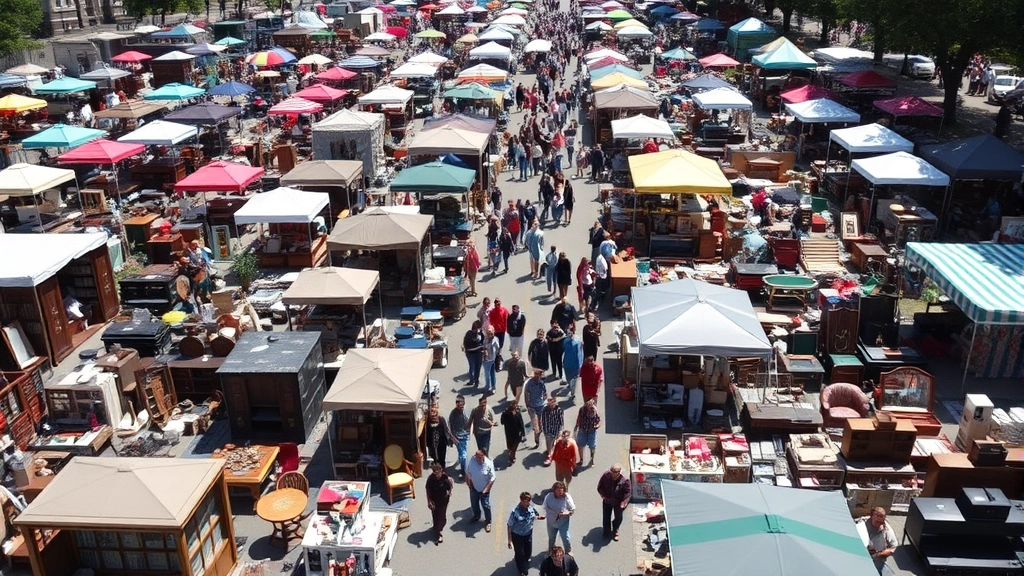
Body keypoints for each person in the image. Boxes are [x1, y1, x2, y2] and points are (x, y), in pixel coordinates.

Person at [507, 492, 545, 576]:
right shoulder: (515, 512)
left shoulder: (530, 508)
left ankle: (524, 560)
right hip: (517, 535)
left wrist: (538, 517)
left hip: (528, 533)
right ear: (521, 500)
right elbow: (509, 525)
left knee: (528, 553)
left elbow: (534, 515)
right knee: (519, 553)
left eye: (528, 501)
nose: (527, 503)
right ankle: (522, 570)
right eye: (525, 501)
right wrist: (509, 540)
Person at [857, 506, 898, 572]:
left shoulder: (887, 529)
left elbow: (894, 547)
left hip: (878, 559)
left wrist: (879, 554)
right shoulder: (862, 524)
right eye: (877, 521)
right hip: (861, 555)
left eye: (881, 522)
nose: (879, 523)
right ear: (872, 516)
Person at [598, 464, 631, 541]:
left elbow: (628, 492)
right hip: (607, 500)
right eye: (611, 470)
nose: (612, 473)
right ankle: (606, 531)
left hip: (618, 502)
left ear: (619, 472)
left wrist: (624, 502)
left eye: (615, 471)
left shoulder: (625, 480)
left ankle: (615, 529)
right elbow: (600, 486)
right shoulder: (606, 475)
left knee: (618, 517)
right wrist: (603, 496)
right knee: (606, 516)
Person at [465, 450, 496, 532]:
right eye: (476, 456)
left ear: (483, 456)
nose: (477, 458)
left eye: (479, 456)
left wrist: (486, 489)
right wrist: (469, 483)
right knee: (474, 503)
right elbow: (468, 472)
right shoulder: (472, 461)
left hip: (484, 489)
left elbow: (492, 479)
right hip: (474, 487)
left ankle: (488, 521)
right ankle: (476, 516)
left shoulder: (489, 464)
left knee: (485, 505)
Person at [425, 462, 454, 543]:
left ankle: (439, 532)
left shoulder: (445, 477)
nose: (437, 474)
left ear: (441, 471)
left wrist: (450, 492)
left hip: (443, 499)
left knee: (441, 514)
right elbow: (427, 491)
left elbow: (450, 484)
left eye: (439, 472)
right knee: (435, 514)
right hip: (434, 500)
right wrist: (429, 501)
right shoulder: (430, 479)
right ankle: (436, 528)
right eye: (435, 472)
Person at [542, 481, 575, 553]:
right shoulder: (549, 496)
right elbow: (545, 507)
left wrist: (566, 513)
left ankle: (568, 552)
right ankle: (551, 551)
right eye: (558, 490)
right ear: (554, 490)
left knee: (565, 538)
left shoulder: (567, 497)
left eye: (561, 490)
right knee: (551, 538)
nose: (560, 492)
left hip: (563, 522)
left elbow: (572, 510)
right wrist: (545, 515)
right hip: (551, 522)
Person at [524, 367, 548, 447]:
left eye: (540, 375)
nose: (538, 376)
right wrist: (528, 405)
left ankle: (540, 435)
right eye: (537, 374)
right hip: (532, 407)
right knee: (535, 425)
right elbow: (526, 394)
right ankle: (537, 441)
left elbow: (545, 392)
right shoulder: (529, 383)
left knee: (541, 423)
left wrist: (545, 398)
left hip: (541, 405)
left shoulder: (541, 383)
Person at [574, 399, 600, 467]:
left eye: (591, 404)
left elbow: (599, 420)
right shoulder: (582, 409)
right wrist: (576, 425)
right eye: (588, 404)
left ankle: (592, 459)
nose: (589, 406)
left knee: (592, 446)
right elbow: (579, 417)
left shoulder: (594, 410)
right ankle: (581, 459)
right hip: (583, 429)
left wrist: (597, 426)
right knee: (580, 445)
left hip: (592, 430)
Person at [449, 396, 470, 476]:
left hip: (464, 436)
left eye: (462, 406)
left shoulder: (464, 412)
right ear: (456, 404)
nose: (461, 408)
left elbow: (467, 421)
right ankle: (464, 470)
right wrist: (453, 437)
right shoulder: (453, 414)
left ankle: (463, 465)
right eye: (459, 406)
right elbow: (450, 427)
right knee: (463, 455)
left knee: (462, 453)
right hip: (457, 437)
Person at [540, 396, 564, 463]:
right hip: (548, 429)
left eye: (552, 402)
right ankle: (549, 456)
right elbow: (543, 421)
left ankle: (550, 450)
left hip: (556, 429)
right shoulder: (545, 410)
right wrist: (544, 430)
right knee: (548, 440)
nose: (550, 404)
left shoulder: (559, 410)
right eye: (549, 402)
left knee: (555, 442)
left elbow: (561, 422)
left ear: (555, 402)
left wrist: (560, 431)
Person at [562, 327, 584, 399]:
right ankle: (571, 386)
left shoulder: (574, 341)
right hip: (570, 362)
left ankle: (572, 392)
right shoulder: (567, 341)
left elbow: (580, 352)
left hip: (572, 363)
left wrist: (581, 362)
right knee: (571, 378)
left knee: (573, 378)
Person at [463, 321, 485, 387]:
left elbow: (483, 342)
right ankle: (471, 380)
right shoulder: (469, 334)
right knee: (472, 367)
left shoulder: (481, 334)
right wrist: (479, 346)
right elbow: (467, 346)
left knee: (478, 368)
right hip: (470, 354)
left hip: (479, 353)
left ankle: (476, 381)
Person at [482, 326, 500, 394]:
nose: (490, 335)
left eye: (491, 333)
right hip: (485, 359)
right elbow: (483, 346)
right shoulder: (485, 339)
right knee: (488, 374)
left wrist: (494, 354)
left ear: (494, 332)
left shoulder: (495, 340)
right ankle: (488, 386)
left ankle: (492, 387)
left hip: (492, 359)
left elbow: (498, 349)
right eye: (488, 333)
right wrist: (484, 350)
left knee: (491, 374)